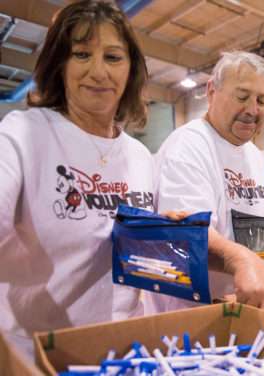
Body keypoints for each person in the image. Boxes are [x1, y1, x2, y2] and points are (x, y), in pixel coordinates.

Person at [0, 0, 153, 356]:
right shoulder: (22, 134)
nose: (98, 72)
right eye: (82, 55)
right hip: (38, 351)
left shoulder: (140, 157)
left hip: (123, 350)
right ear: (60, 65)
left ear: (130, 70)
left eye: (113, 57)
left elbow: (154, 244)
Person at [145, 51, 264, 315]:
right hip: (196, 314)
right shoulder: (188, 147)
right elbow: (188, 235)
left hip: (244, 308)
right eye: (242, 97)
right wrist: (242, 262)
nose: (252, 110)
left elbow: (237, 221)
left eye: (261, 100)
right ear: (211, 91)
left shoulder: (251, 153)